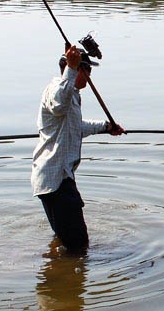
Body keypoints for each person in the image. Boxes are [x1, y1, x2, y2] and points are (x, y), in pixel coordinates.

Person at [32, 44, 124, 253]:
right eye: (88, 71)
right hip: (56, 180)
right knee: (78, 245)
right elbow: (57, 105)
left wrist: (106, 127)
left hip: (58, 178)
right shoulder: (57, 89)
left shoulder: (71, 94)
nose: (90, 77)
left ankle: (56, 264)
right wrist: (71, 70)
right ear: (78, 70)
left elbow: (76, 126)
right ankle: (65, 278)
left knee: (66, 239)